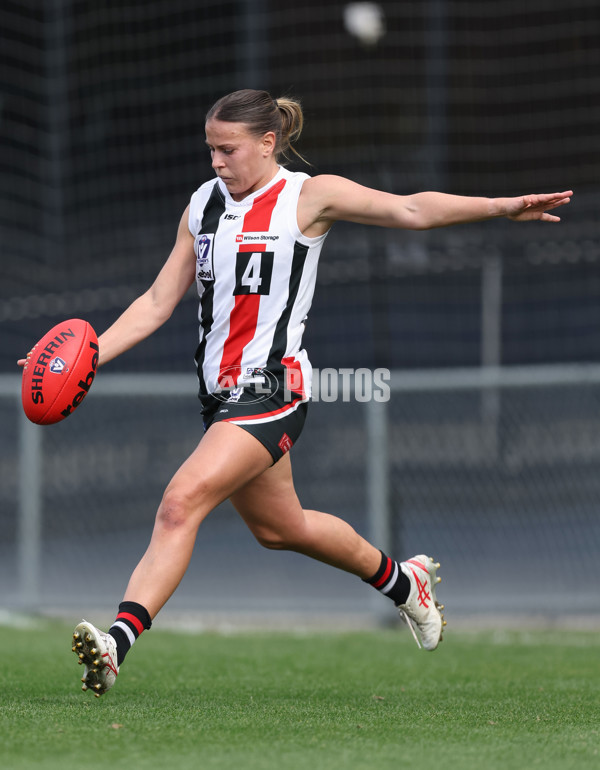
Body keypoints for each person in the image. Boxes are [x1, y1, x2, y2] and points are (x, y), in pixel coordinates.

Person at [20, 89, 572, 697]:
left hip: (273, 390)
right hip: (219, 400)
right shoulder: (202, 205)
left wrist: (501, 206)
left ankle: (116, 644)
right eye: (210, 149)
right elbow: (155, 303)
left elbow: (412, 210)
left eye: (228, 149)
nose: (216, 162)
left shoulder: (307, 197)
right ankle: (403, 581)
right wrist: (85, 353)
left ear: (267, 142)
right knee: (282, 528)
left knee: (180, 503)